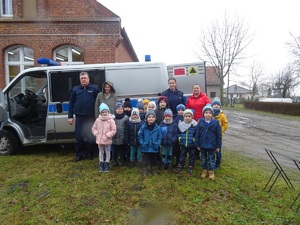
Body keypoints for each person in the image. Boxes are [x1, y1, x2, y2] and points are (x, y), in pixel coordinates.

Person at [68, 71, 100, 162]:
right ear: (80, 80)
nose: (83, 80)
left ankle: (89, 154)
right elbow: (71, 104)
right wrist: (70, 116)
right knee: (79, 136)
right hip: (79, 116)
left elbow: (99, 101)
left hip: (91, 116)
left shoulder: (95, 89)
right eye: (81, 78)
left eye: (85, 78)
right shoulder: (75, 90)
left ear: (88, 79)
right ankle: (79, 155)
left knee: (90, 136)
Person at [196, 104, 222, 180]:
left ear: (212, 114)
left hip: (212, 145)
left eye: (210, 113)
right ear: (203, 114)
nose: (208, 114)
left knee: (211, 159)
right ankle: (204, 170)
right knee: (203, 158)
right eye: (206, 112)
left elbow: (219, 135)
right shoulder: (200, 122)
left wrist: (218, 146)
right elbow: (197, 133)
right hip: (202, 144)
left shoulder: (216, 123)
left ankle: (211, 171)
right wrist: (197, 144)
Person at [91, 103, 116, 172]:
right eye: (103, 112)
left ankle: (107, 163)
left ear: (108, 112)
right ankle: (101, 163)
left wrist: (108, 135)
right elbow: (93, 128)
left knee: (107, 152)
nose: (104, 113)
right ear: (100, 112)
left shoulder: (111, 121)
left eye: (106, 112)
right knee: (101, 152)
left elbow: (113, 130)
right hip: (100, 139)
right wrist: (96, 134)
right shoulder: (98, 120)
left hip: (107, 140)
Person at [138, 110, 162, 176]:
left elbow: (159, 137)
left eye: (152, 117)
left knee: (153, 159)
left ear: (155, 118)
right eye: (149, 117)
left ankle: (153, 169)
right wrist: (142, 143)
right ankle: (145, 169)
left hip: (154, 147)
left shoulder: (157, 128)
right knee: (145, 159)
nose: (151, 118)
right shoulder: (143, 127)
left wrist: (157, 143)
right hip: (145, 147)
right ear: (146, 119)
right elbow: (140, 135)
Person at [176, 109, 198, 175]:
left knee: (192, 156)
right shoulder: (181, 125)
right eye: (186, 116)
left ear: (192, 117)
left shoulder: (194, 125)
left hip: (191, 145)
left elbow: (196, 134)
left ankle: (190, 166)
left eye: (189, 116)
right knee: (182, 155)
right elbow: (178, 133)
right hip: (183, 144)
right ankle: (180, 165)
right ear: (183, 117)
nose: (187, 117)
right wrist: (179, 138)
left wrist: (194, 140)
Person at [212, 97, 228, 169]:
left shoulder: (222, 116)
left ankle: (218, 163)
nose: (216, 105)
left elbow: (225, 125)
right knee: (211, 150)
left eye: (218, 104)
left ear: (220, 106)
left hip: (218, 137)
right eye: (214, 104)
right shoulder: (210, 114)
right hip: (211, 136)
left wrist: (220, 131)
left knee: (218, 150)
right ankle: (211, 162)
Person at [112, 102, 129, 167]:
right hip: (114, 137)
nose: (120, 110)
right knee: (114, 150)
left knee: (122, 150)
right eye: (118, 109)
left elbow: (127, 128)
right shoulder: (113, 118)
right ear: (115, 110)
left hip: (122, 138)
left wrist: (125, 137)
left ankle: (121, 160)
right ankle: (114, 160)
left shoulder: (126, 118)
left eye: (121, 109)